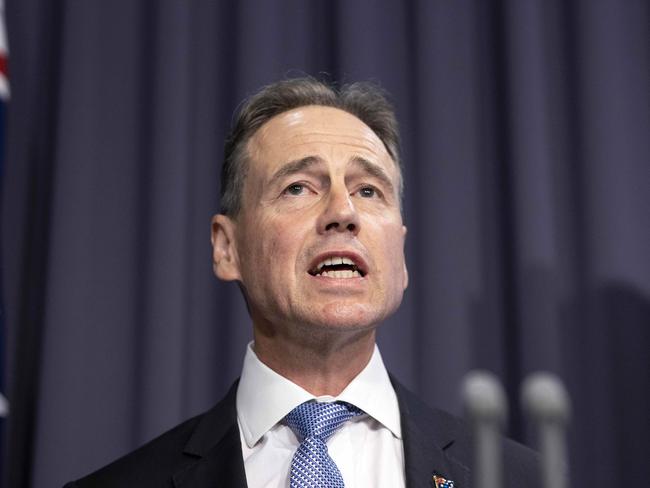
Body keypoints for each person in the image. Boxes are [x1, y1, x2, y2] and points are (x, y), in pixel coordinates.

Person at [65, 78, 539, 487]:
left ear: (401, 251)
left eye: (368, 190)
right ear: (227, 247)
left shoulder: (522, 479)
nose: (343, 213)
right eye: (298, 188)